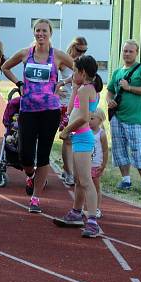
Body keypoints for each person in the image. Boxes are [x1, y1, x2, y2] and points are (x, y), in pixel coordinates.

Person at [1, 19, 74, 213]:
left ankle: (35, 198)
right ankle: (30, 174)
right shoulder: (26, 53)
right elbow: (5, 67)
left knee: (43, 154)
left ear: (50, 33)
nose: (40, 34)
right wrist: (19, 84)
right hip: (28, 110)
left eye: (44, 31)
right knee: (25, 155)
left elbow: (79, 70)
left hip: (50, 111)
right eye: (37, 30)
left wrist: (63, 82)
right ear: (33, 32)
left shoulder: (57, 55)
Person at [55, 55, 102, 237]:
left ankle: (92, 221)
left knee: (85, 181)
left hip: (82, 137)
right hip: (80, 138)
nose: (72, 73)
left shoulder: (86, 90)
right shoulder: (84, 88)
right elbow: (69, 110)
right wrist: (74, 86)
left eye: (75, 70)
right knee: (79, 179)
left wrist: (66, 130)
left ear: (82, 72)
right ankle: (76, 212)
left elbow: (83, 117)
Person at [105, 40, 141, 192]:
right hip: (117, 117)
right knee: (119, 149)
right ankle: (125, 180)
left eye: (130, 51)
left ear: (137, 52)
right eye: (125, 51)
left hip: (135, 118)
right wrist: (109, 101)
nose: (127, 54)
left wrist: (129, 88)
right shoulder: (117, 72)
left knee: (138, 150)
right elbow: (109, 91)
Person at [58, 37, 88, 186]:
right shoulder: (63, 60)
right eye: (79, 50)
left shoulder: (85, 63)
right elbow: (51, 77)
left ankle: (69, 169)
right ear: (73, 47)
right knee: (67, 139)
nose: (81, 53)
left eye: (84, 51)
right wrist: (57, 89)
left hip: (80, 104)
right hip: (65, 104)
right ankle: (69, 173)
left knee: (77, 139)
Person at [89, 108, 108, 218]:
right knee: (85, 186)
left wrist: (103, 165)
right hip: (86, 164)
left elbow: (105, 151)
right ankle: (85, 207)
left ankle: (96, 208)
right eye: (89, 118)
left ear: (99, 120)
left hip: (96, 165)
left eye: (92, 118)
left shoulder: (101, 134)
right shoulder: (86, 131)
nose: (89, 120)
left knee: (96, 187)